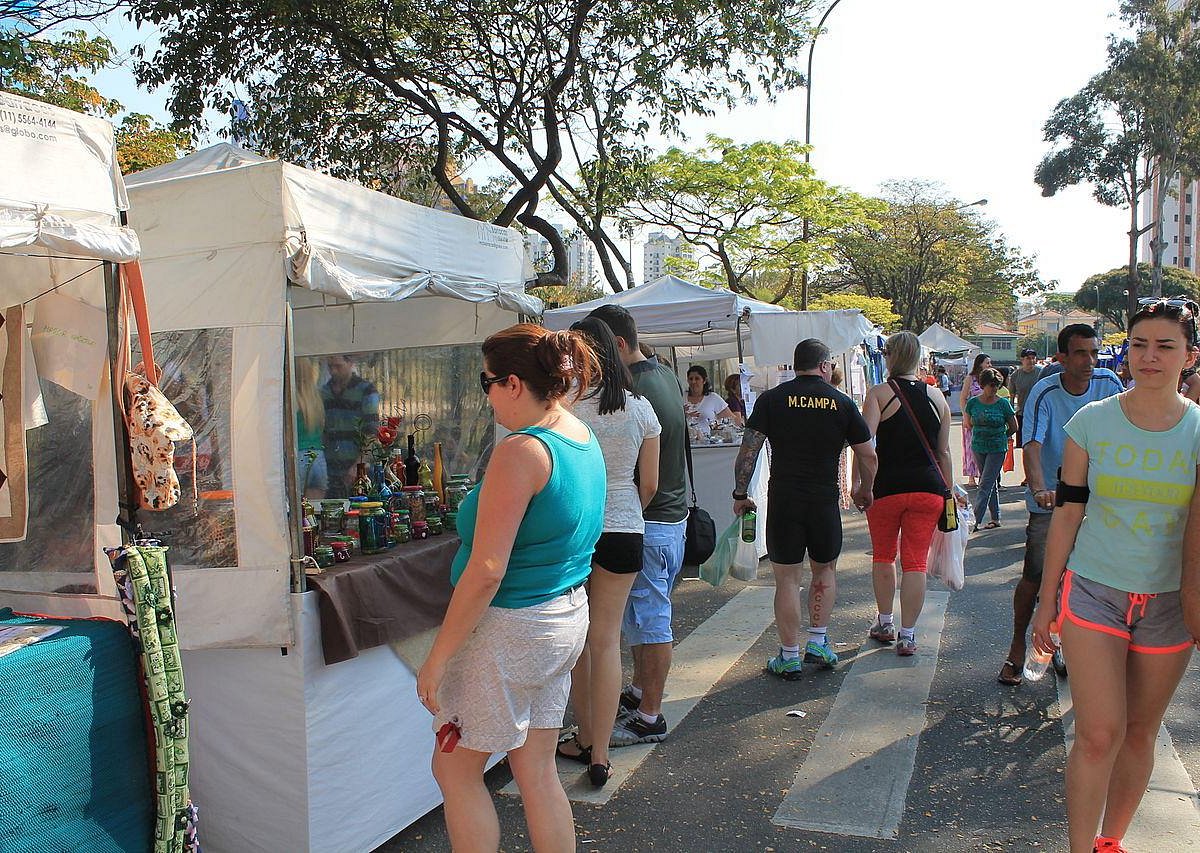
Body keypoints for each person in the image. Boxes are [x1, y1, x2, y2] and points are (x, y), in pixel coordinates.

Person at [416, 324, 605, 851]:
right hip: (561, 616)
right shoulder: (577, 433)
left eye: (488, 382)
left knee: (455, 771)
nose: (488, 395)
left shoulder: (523, 450)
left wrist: (438, 658)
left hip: (510, 627)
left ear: (514, 384)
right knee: (536, 770)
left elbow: (486, 570)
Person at [1030, 298, 1200, 853]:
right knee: (1098, 732)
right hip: (1095, 592)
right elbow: (1069, 512)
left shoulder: (1199, 432)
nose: (1149, 356)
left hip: (1171, 603)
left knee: (1139, 734)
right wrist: (1047, 598)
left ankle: (1111, 842)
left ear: (1189, 357)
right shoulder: (1091, 423)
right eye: (1139, 344)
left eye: (1164, 346)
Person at [732, 338, 877, 679]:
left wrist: (740, 493)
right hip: (823, 500)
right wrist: (864, 490)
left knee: (787, 579)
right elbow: (868, 454)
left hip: (784, 498)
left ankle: (788, 655)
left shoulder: (771, 400)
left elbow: (748, 451)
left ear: (797, 365)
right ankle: (819, 641)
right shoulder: (841, 402)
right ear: (825, 366)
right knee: (824, 571)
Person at [557, 317, 661, 787]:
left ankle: (583, 737)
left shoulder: (568, 409)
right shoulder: (642, 410)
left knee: (581, 641)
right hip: (625, 529)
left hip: (578, 528)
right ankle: (601, 752)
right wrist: (626, 514)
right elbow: (651, 484)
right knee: (607, 640)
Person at [997, 323, 1123, 687]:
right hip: (1053, 499)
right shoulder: (1045, 391)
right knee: (1035, 575)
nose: (1090, 361)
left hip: (1097, 502)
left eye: (1094, 352)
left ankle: (1077, 645)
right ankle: (1017, 646)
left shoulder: (1109, 384)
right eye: (1081, 353)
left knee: (1094, 581)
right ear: (1063, 357)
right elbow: (1032, 445)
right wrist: (1040, 488)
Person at [585, 304, 688, 746]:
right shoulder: (662, 374)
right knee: (641, 621)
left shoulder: (633, 391)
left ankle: (649, 716)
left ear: (616, 346)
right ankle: (640, 693)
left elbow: (645, 482)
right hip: (666, 517)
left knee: (649, 624)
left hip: (651, 520)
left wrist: (630, 511)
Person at [862, 331, 960, 656]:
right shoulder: (938, 397)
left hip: (886, 489)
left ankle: (885, 622)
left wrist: (861, 484)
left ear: (889, 356)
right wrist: (948, 491)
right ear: (917, 358)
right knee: (915, 561)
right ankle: (908, 635)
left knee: (884, 555)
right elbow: (943, 452)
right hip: (928, 489)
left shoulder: (878, 394)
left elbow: (866, 446)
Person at [962, 367, 1017, 532]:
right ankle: (995, 518)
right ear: (982, 384)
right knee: (989, 483)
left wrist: (1000, 436)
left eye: (996, 385)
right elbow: (969, 424)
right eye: (990, 385)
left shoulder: (1003, 403)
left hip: (997, 448)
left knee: (984, 484)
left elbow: (1014, 426)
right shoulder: (973, 403)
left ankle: (974, 521)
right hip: (979, 446)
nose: (993, 389)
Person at [321, 354, 380, 497]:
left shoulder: (366, 390)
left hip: (358, 469)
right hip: (331, 470)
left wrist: (358, 465)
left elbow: (372, 432)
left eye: (338, 366)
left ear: (350, 363)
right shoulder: (324, 391)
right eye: (330, 367)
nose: (333, 371)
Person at [1008, 348, 1041, 485]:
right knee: (1026, 448)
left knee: (1041, 446)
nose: (1031, 361)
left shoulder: (1041, 373)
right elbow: (1011, 397)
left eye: (1033, 358)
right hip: (1022, 415)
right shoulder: (1015, 376)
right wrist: (1009, 418)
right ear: (1022, 360)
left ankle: (1041, 475)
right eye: (1028, 358)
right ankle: (1028, 476)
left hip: (1040, 414)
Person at [295, 358, 327, 499]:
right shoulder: (315, 398)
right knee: (316, 511)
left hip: (299, 456)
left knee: (299, 511)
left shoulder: (292, 400)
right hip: (318, 457)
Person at [959, 354, 991, 487]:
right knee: (970, 447)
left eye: (990, 363)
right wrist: (966, 416)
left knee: (984, 447)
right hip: (971, 418)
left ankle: (983, 474)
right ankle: (971, 476)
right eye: (987, 363)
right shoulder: (970, 379)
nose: (989, 365)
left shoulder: (989, 379)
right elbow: (963, 398)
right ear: (979, 364)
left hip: (986, 419)